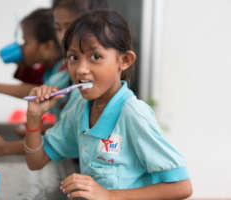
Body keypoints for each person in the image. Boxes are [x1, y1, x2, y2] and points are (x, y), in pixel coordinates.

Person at [24, 10, 192, 200]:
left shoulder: (133, 113)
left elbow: (181, 187)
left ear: (124, 61)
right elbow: (35, 161)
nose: (81, 69)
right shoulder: (80, 105)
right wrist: (33, 118)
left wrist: (109, 195)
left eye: (95, 57)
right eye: (73, 58)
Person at [0, 0, 110, 158]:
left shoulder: (84, 83)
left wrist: (4, 148)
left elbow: (67, 139)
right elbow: (66, 129)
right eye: (58, 28)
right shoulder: (64, 74)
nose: (63, 36)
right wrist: (39, 130)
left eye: (26, 42)